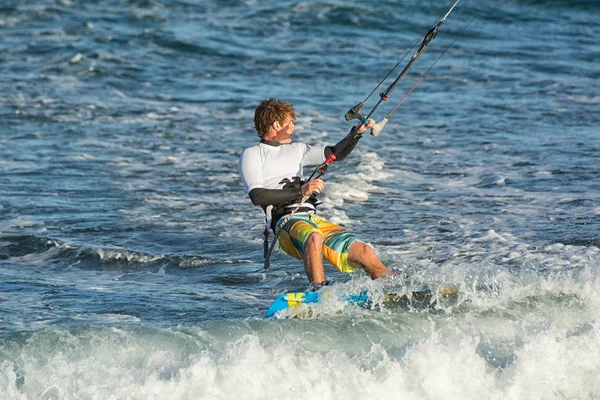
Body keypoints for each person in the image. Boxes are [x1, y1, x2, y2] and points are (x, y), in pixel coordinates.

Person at [238, 98, 389, 288]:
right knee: (314, 236)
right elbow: (257, 196)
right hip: (285, 223)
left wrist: (356, 133)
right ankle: (319, 291)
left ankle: (393, 288)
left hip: (312, 221)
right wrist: (301, 191)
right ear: (276, 125)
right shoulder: (253, 154)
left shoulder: (299, 149)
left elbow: (336, 153)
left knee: (365, 252)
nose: (293, 126)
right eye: (290, 122)